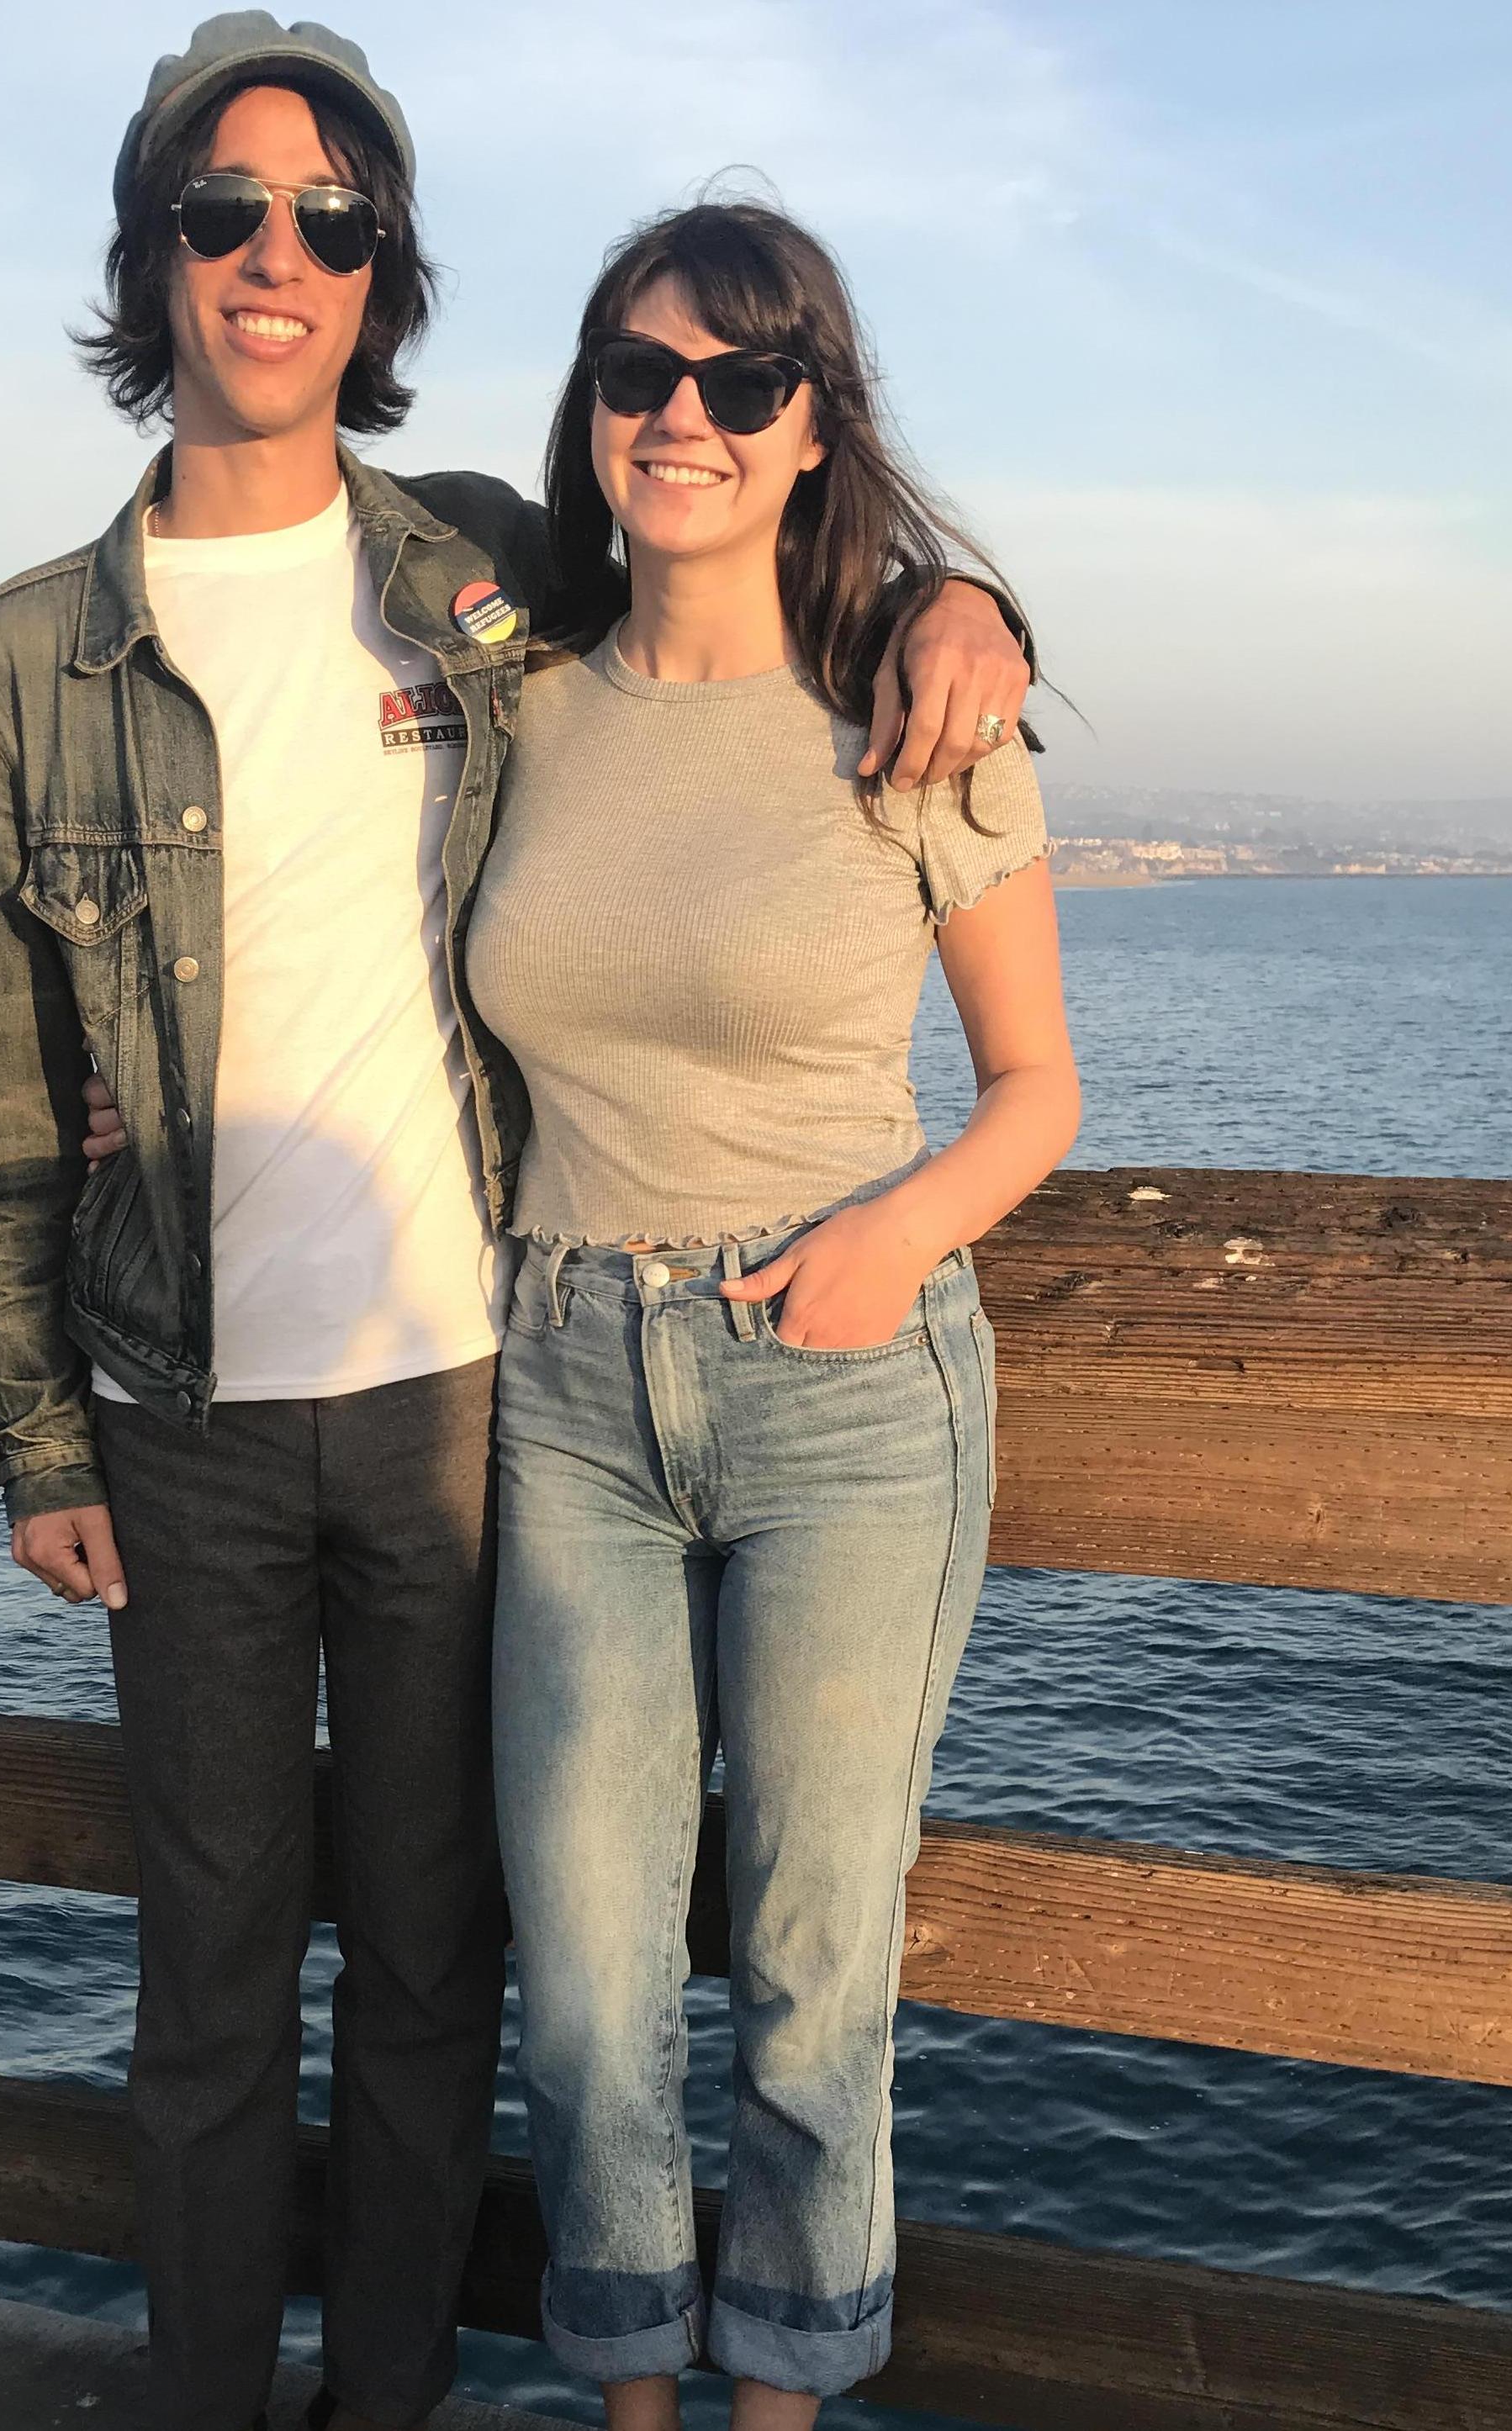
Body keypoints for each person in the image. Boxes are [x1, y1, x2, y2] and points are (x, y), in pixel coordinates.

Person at [0, 16, 1032, 2428]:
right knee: (220, 1977)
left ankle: (401, 2398)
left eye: (328, 219)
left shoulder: (474, 580)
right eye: (225, 211)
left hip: (463, 1398)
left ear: (382, 269)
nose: (276, 255)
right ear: (156, 246)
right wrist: (32, 1434)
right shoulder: (18, 661)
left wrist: (968, 608)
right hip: (188, 1409)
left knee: (454, 1966)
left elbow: (751, 557)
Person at [464, 201, 1081, 2429]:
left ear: (814, 422)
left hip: (838, 1388)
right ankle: (631, 2398)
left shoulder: (908, 712)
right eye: (641, 373)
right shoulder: (512, 702)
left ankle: (780, 2403)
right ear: (591, 402)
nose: (685, 419)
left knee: (814, 1964)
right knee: (589, 1976)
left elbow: (1036, 1094)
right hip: (559, 1383)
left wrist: (889, 1237)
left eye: (740, 381)